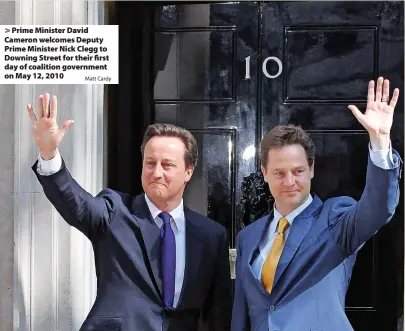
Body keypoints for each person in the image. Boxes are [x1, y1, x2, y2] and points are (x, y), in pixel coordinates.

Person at [27, 94, 232, 331]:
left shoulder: (211, 236)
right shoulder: (114, 211)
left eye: (167, 165)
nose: (156, 172)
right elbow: (76, 204)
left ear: (188, 172)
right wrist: (49, 154)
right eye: (150, 163)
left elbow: (219, 314)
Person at [231, 77, 402, 331]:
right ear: (264, 173)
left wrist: (380, 143)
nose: (289, 181)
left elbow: (377, 209)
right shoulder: (249, 236)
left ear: (311, 169)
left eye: (298, 171)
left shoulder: (334, 219)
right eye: (279, 173)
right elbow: (243, 316)